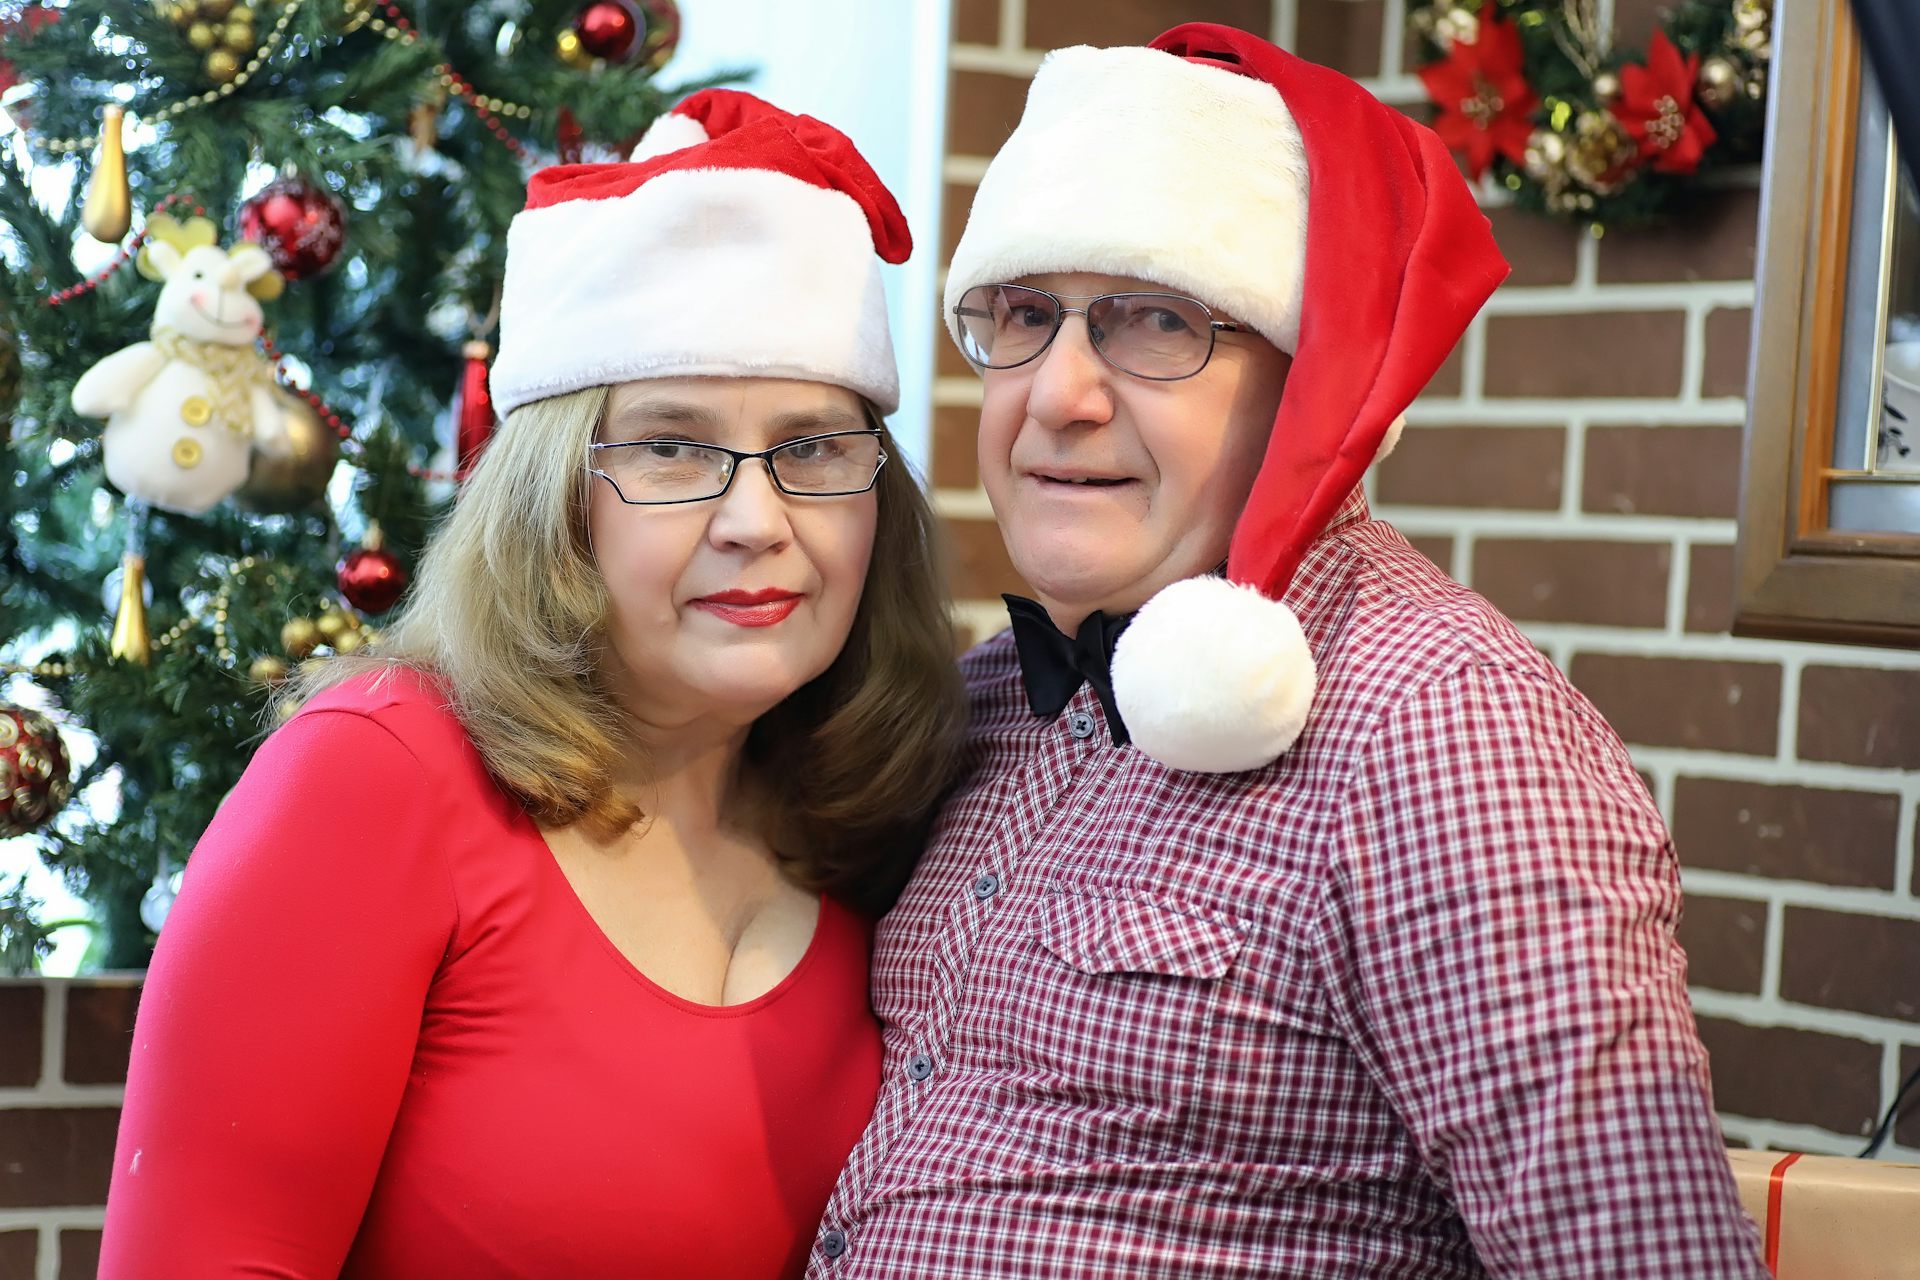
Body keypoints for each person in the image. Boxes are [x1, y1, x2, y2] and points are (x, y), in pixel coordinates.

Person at [806, 24, 1769, 1279]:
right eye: (1026, 316)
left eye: (1156, 322)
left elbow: (1641, 1258)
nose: (1059, 395)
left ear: (1313, 374)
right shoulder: (984, 702)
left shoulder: (1442, 728)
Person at [100, 89, 963, 1280]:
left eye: (812, 446)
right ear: (556, 500)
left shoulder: (881, 810)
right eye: (673, 445)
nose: (759, 521)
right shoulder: (377, 776)